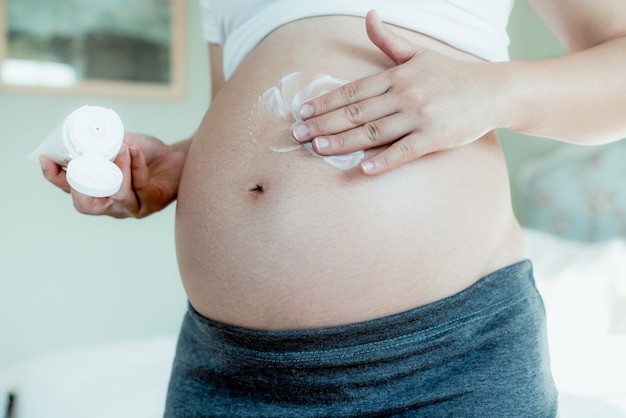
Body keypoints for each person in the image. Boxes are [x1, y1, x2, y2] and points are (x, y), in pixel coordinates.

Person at [38, 0, 626, 416]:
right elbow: (252, 118)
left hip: (438, 365)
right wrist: (182, 166)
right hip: (227, 366)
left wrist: (496, 91)